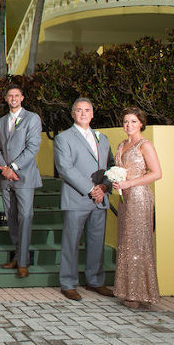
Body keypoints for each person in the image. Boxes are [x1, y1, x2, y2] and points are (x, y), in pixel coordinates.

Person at [54, 98, 114, 301]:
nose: (83, 113)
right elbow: (65, 168)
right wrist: (91, 189)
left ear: (93, 114)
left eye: (87, 110)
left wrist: (105, 187)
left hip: (99, 199)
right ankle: (68, 283)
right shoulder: (64, 138)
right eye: (78, 110)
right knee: (71, 242)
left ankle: (95, 281)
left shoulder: (102, 138)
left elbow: (111, 167)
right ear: (73, 114)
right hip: (77, 197)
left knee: (96, 241)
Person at [112, 107, 162, 308]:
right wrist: (117, 181)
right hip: (125, 198)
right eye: (125, 121)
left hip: (139, 197)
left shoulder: (145, 145)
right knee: (126, 243)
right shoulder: (122, 144)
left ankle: (142, 293)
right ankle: (129, 291)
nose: (129, 125)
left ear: (141, 123)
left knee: (139, 243)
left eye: (133, 121)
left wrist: (129, 183)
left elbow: (157, 173)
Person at [0, 84, 42, 278]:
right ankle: (18, 256)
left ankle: (23, 262)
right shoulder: (1, 121)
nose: (13, 98)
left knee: (25, 217)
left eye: (17, 95)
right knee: (11, 218)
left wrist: (13, 168)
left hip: (24, 176)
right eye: (10, 96)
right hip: (6, 178)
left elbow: (33, 147)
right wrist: (4, 169)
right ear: (6, 99)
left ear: (22, 98)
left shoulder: (32, 118)